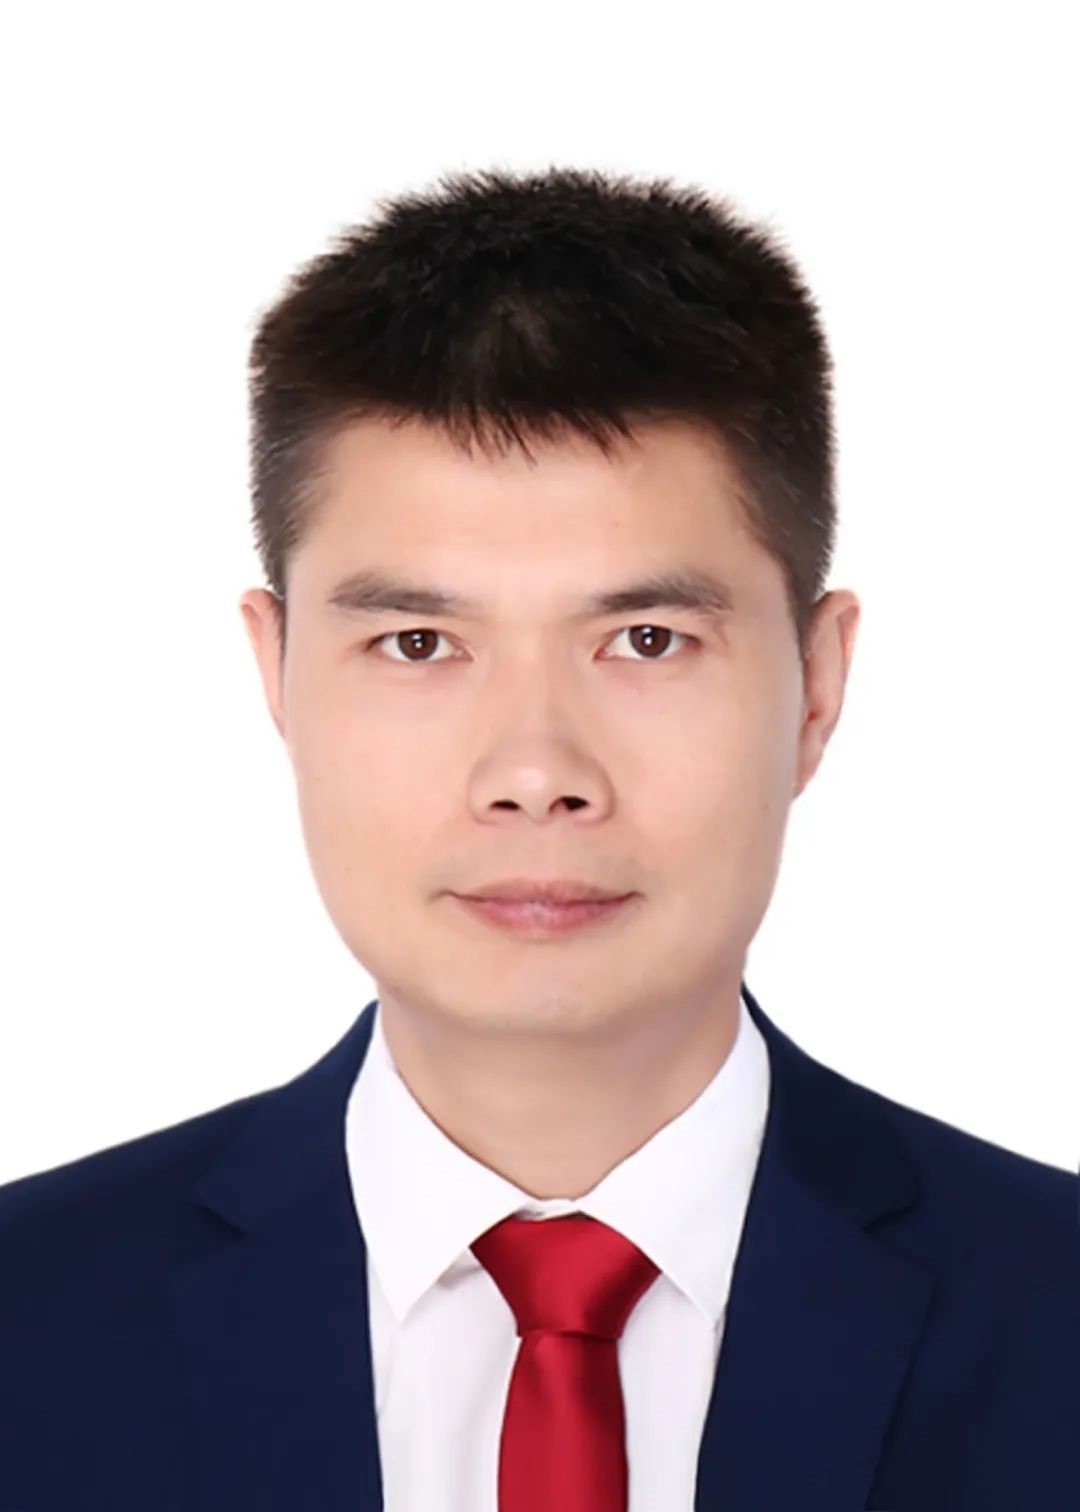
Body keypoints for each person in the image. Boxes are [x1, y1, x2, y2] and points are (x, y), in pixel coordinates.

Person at [0, 165, 1075, 1512]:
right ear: (277, 675)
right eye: (418, 643)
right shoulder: (28, 1327)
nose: (534, 774)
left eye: (647, 640)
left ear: (817, 686)